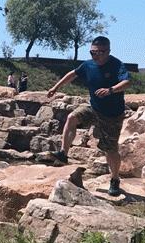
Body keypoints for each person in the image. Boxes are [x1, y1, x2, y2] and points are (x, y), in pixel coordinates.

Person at [47, 36, 130, 197]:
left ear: (108, 51)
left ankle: (115, 179)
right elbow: (72, 74)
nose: (95, 55)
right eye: (92, 52)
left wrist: (111, 90)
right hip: (93, 107)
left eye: (99, 52)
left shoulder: (116, 65)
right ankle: (63, 153)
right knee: (72, 118)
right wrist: (55, 87)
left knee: (110, 150)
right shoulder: (88, 65)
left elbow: (127, 82)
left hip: (111, 114)